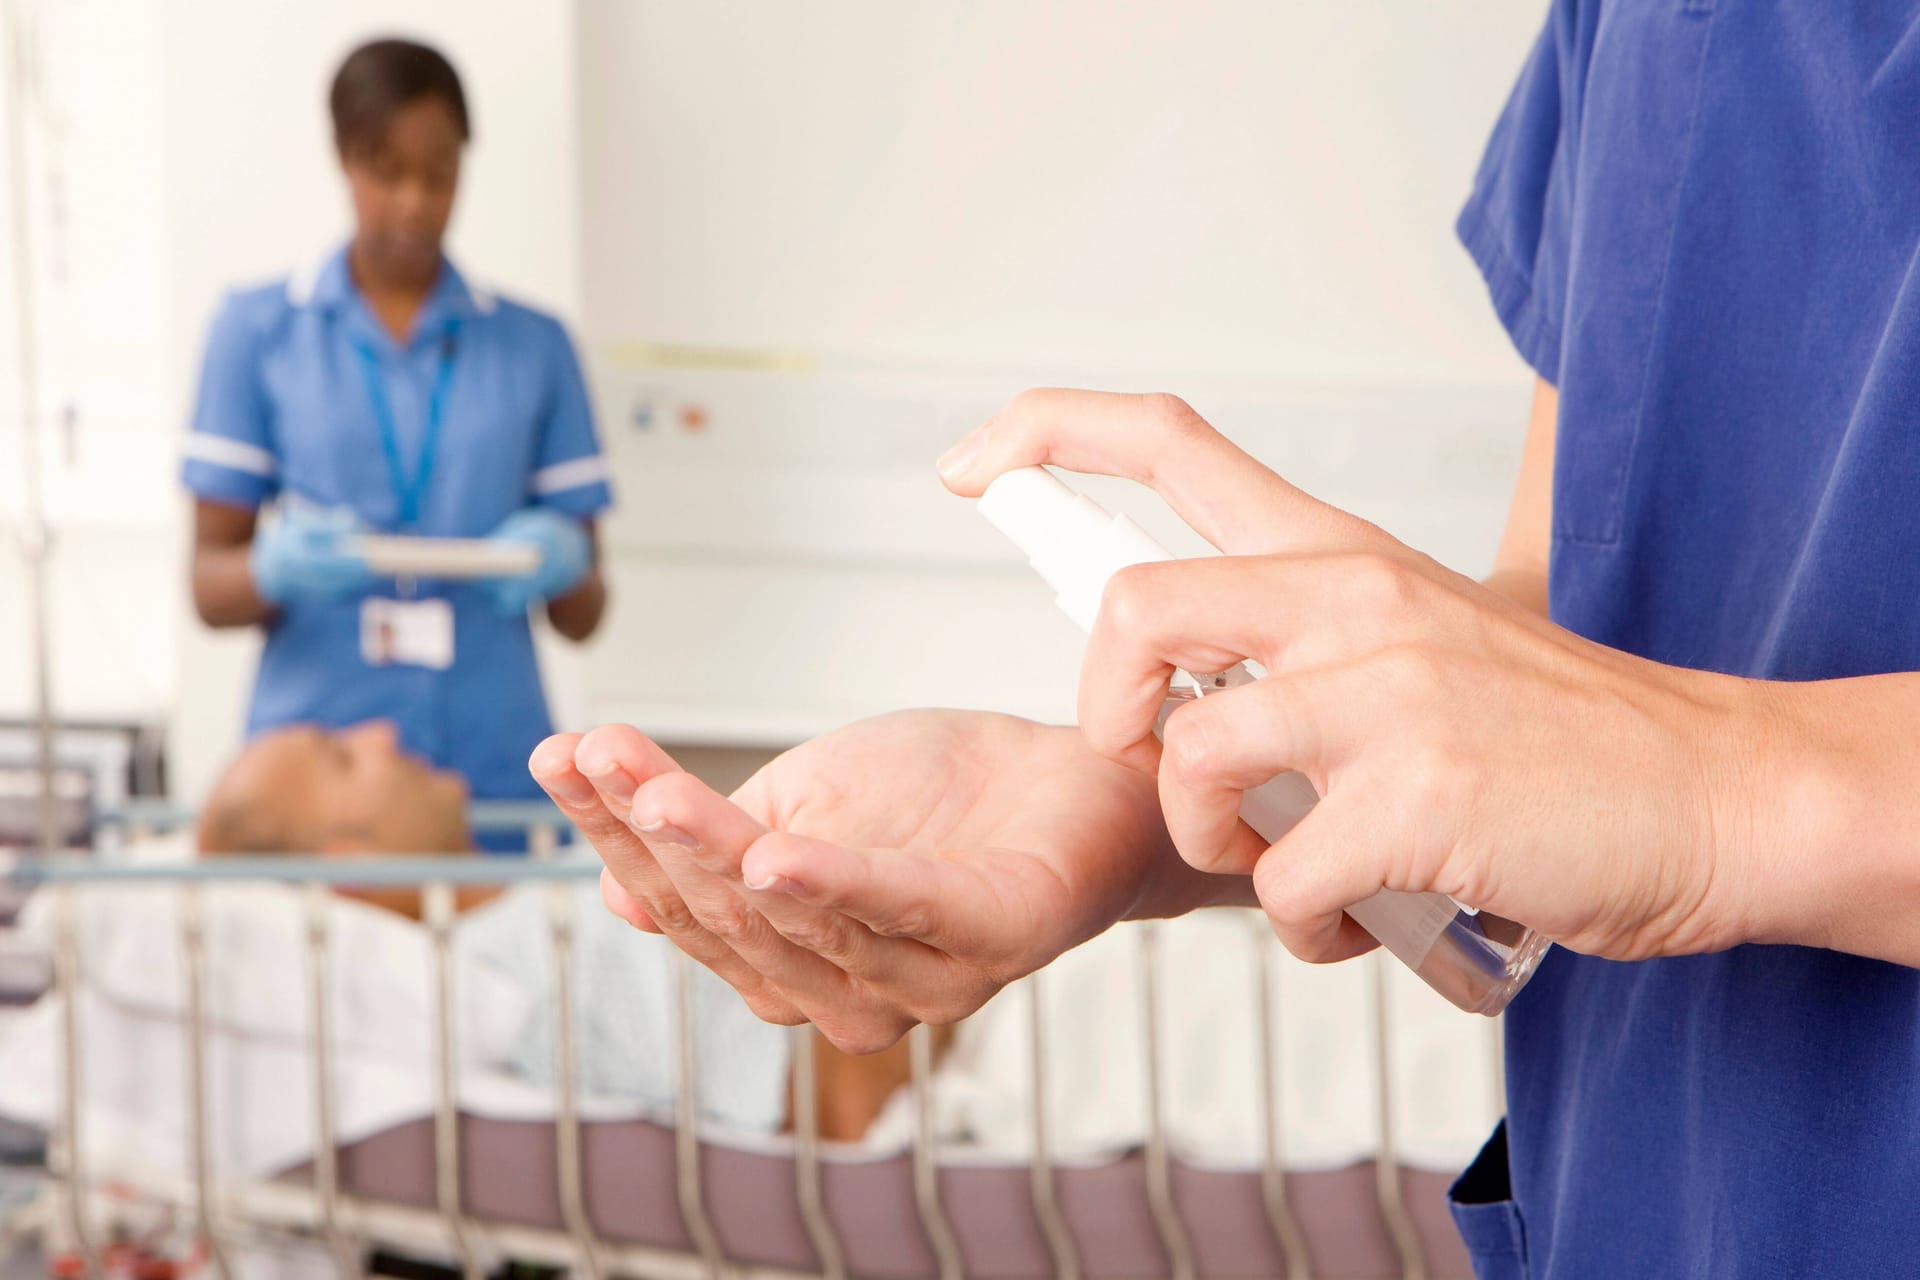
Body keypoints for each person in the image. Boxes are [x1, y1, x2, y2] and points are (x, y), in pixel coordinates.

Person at [534, 6, 1920, 1277]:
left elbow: (1640, 750)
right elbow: (1578, 610)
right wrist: (1164, 784)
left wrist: (1725, 797)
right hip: (1633, 1191)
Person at [181, 38, 611, 851]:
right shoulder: (259, 333)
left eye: (440, 173)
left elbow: (585, 613)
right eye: (388, 171)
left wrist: (565, 562)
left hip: (489, 773)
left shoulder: (535, 347)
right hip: (315, 786)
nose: (414, 201)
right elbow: (208, 587)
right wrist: (272, 567)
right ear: (345, 160)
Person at [194, 720, 924, 1143]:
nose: (382, 732)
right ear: (349, 864)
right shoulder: (512, 979)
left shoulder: (544, 894)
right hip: (960, 1036)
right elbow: (843, 1114)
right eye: (344, 757)